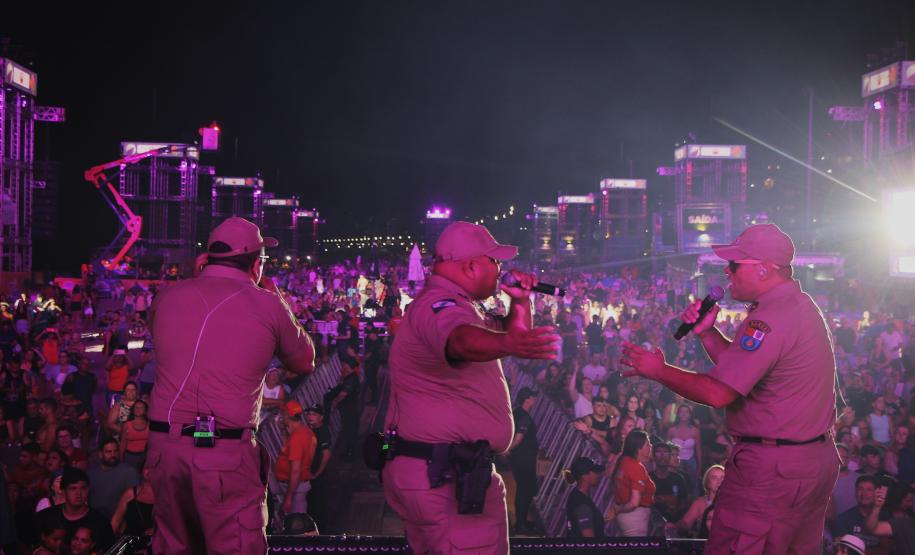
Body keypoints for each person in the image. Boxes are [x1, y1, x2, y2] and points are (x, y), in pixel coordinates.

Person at [620, 223, 839, 553]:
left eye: (736, 264)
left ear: (764, 269)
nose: (728, 270)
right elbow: (745, 372)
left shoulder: (770, 318)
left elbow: (719, 392)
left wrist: (659, 371)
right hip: (805, 461)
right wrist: (708, 333)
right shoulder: (797, 306)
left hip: (772, 470)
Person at [382, 221, 558, 554]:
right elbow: (460, 341)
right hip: (446, 477)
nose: (500, 270)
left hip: (448, 471)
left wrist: (520, 302)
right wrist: (509, 341)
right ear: (472, 265)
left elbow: (508, 336)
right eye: (495, 262)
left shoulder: (463, 305)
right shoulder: (439, 305)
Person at [146, 217, 315, 555]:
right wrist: (277, 299)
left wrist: (198, 278)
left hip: (164, 450)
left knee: (173, 546)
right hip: (223, 455)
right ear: (256, 263)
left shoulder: (166, 298)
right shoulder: (267, 304)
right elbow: (304, 361)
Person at [36, 468, 115, 552]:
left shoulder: (100, 522)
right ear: (64, 491)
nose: (79, 494)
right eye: (73, 488)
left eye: (83, 488)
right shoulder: (46, 516)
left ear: (88, 490)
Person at [606, 429, 655, 536]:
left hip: (628, 516)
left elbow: (608, 474)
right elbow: (633, 503)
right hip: (634, 517)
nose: (651, 446)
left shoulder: (623, 459)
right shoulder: (635, 466)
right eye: (647, 444)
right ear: (638, 449)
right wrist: (617, 509)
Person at [272, 400, 317, 516]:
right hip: (295, 486)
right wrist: (282, 430)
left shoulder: (297, 438)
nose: (281, 416)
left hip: (294, 490)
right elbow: (288, 447)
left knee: (298, 525)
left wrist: (288, 498)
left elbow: (296, 470)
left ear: (287, 415)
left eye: (283, 414)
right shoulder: (305, 432)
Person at [507, 387, 539, 534]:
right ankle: (520, 524)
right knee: (524, 491)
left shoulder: (517, 412)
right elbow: (518, 439)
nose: (535, 399)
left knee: (525, 490)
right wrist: (507, 450)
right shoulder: (524, 416)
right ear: (527, 399)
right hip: (524, 459)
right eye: (533, 397)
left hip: (522, 459)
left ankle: (522, 520)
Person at [87, 439, 140, 520]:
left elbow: (135, 504)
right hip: (94, 520)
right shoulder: (91, 472)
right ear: (100, 454)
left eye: (115, 451)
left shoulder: (129, 472)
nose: (113, 455)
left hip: (119, 520)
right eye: (108, 452)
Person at [304, 403, 332, 533]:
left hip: (318, 475)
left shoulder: (323, 432)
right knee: (312, 504)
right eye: (309, 414)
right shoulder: (309, 430)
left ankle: (323, 532)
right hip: (310, 474)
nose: (310, 417)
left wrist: (317, 474)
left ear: (321, 417)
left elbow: (326, 455)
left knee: (319, 504)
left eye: (314, 414)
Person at [865, 482, 915, 553]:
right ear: (898, 498)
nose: (911, 504)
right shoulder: (890, 517)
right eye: (908, 501)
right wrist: (876, 507)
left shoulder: (910, 516)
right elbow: (872, 529)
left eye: (912, 501)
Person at [675, 464, 725, 536]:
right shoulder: (700, 503)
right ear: (708, 483)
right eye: (714, 478)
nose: (719, 481)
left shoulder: (734, 502)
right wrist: (676, 526)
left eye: (722, 478)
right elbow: (685, 524)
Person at [563, 457, 606, 538]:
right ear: (584, 476)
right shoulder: (581, 503)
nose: (598, 475)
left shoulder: (577, 495)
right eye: (594, 472)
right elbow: (588, 537)